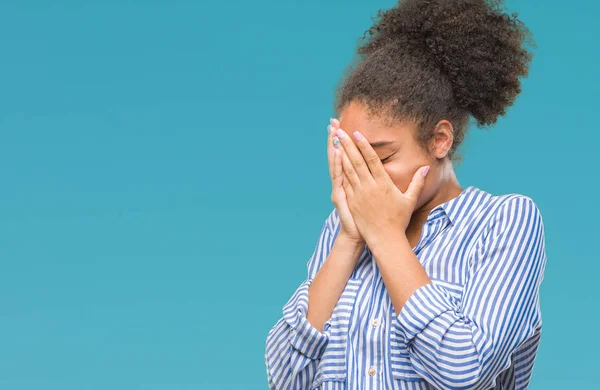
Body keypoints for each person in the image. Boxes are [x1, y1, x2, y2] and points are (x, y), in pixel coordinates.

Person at [265, 0, 546, 389]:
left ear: (439, 139)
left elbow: (463, 371)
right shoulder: (341, 228)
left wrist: (385, 237)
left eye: (379, 157)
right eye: (350, 157)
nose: (362, 176)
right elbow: (284, 380)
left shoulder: (504, 222)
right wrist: (349, 239)